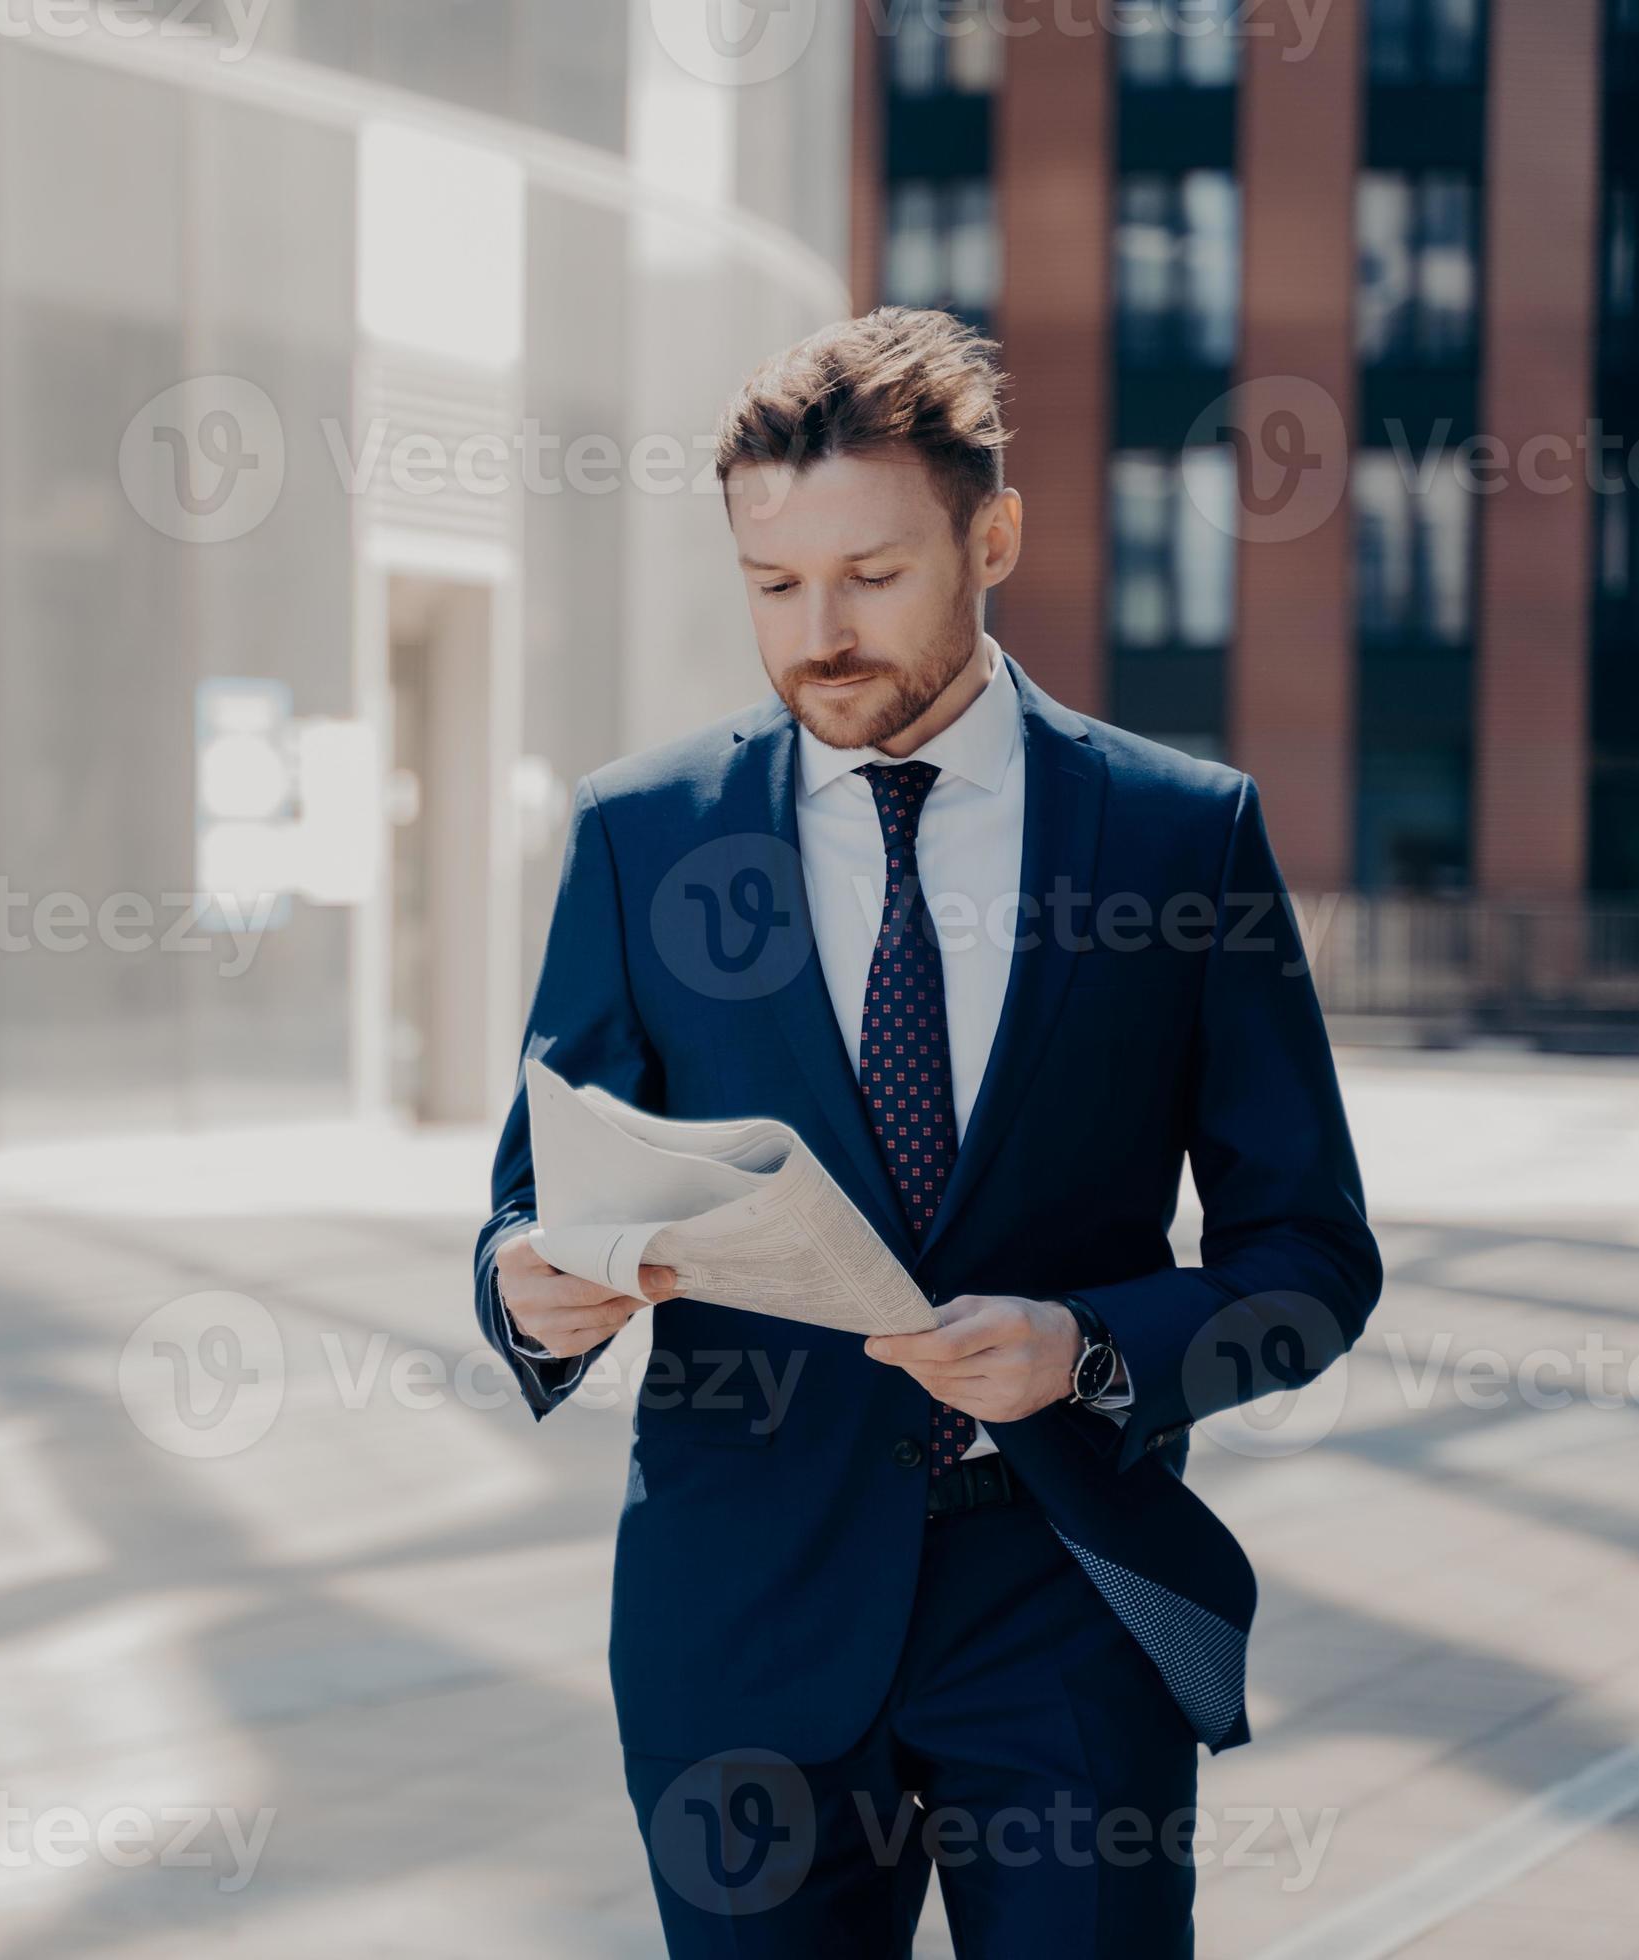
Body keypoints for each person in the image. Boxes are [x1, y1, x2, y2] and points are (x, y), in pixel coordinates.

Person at [473, 307, 1380, 1956]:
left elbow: (1311, 1257)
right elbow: (532, 1201)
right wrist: (533, 1290)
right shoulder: (642, 836)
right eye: (771, 586)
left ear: (995, 538)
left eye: (872, 578)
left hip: (1064, 1609)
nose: (818, 634)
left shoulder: (1182, 840)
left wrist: (1089, 1345)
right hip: (740, 1627)